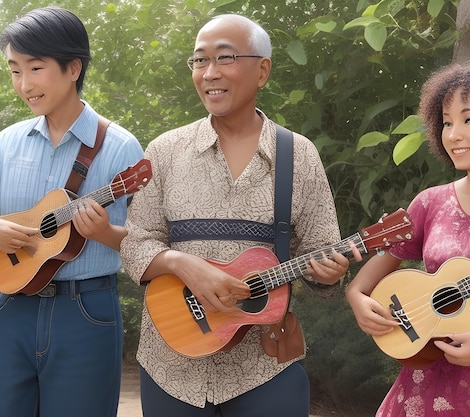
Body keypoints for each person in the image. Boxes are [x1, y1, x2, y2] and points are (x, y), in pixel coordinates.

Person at [120, 14, 362, 417]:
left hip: (264, 367)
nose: (209, 73)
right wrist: (182, 264)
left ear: (262, 70)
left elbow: (321, 254)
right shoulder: (164, 151)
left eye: (225, 58)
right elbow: (135, 241)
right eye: (199, 61)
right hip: (170, 365)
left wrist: (328, 275)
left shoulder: (299, 156)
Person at [0, 7, 144, 417]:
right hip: (13, 307)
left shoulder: (121, 149)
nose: (23, 84)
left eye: (35, 68)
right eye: (15, 70)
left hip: (86, 311)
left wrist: (105, 232)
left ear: (73, 68)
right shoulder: (8, 142)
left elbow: (147, 244)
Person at [346, 59, 470, 415]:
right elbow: (362, 286)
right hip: (430, 381)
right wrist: (357, 301)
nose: (453, 134)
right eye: (446, 122)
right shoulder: (430, 203)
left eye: (469, 119)